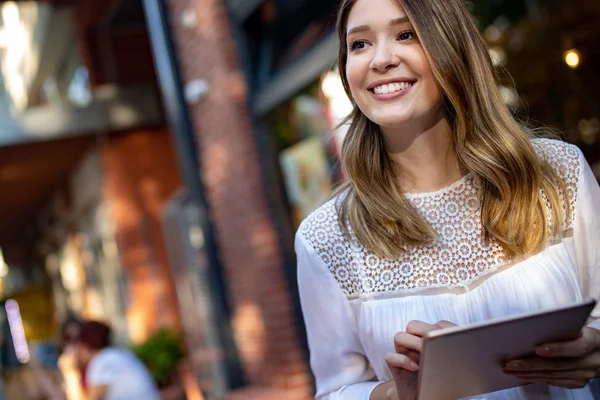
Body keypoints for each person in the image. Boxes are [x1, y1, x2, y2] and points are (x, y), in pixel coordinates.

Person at [295, 0, 600, 399]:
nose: (380, 59)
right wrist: (394, 394)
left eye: (406, 35)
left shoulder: (557, 171)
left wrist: (594, 346)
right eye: (360, 44)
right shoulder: (326, 238)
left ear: (450, 45)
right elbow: (334, 390)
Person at [72, 321, 160, 400]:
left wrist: (71, 375)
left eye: (78, 348)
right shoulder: (117, 354)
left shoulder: (102, 361)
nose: (76, 353)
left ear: (85, 345)